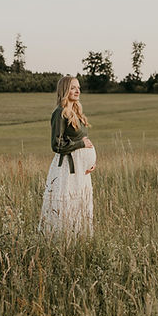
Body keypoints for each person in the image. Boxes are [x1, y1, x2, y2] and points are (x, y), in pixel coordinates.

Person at [38, 75, 96, 237]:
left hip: (81, 170)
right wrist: (81, 145)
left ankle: (79, 241)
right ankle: (62, 241)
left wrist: (89, 163)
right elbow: (56, 145)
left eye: (78, 87)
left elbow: (83, 140)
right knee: (67, 206)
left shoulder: (76, 112)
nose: (77, 90)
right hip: (67, 169)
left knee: (80, 207)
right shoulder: (59, 113)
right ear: (64, 90)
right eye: (72, 87)